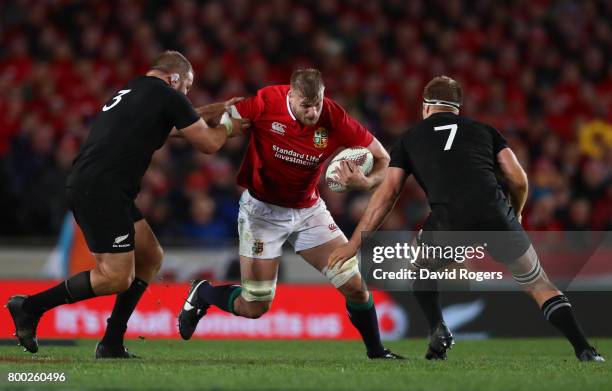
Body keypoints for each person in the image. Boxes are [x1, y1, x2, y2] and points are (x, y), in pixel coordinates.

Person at [328, 76, 604, 362]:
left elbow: (387, 197)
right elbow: (517, 177)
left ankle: (438, 329)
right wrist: (517, 211)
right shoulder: (484, 130)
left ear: (425, 108)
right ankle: (584, 349)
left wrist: (353, 245)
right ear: (457, 108)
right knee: (537, 282)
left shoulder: (410, 138)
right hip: (495, 212)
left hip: (450, 220)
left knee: (420, 269)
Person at [6, 50, 247, 359]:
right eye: (186, 87)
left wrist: (216, 110)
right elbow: (209, 144)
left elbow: (173, 126)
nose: (185, 95)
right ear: (174, 78)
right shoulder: (167, 96)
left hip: (101, 186)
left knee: (149, 256)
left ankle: (111, 343)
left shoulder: (135, 90)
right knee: (116, 276)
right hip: (101, 189)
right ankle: (29, 307)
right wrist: (230, 126)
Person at [178, 68, 403, 359]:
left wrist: (367, 182)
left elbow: (383, 157)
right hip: (262, 213)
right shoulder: (264, 103)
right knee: (255, 305)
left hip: (309, 212)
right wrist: (186, 128)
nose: (313, 112)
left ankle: (377, 353)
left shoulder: (334, 117)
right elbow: (212, 126)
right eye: (305, 105)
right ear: (291, 95)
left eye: (317, 104)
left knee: (355, 287)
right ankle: (203, 293)